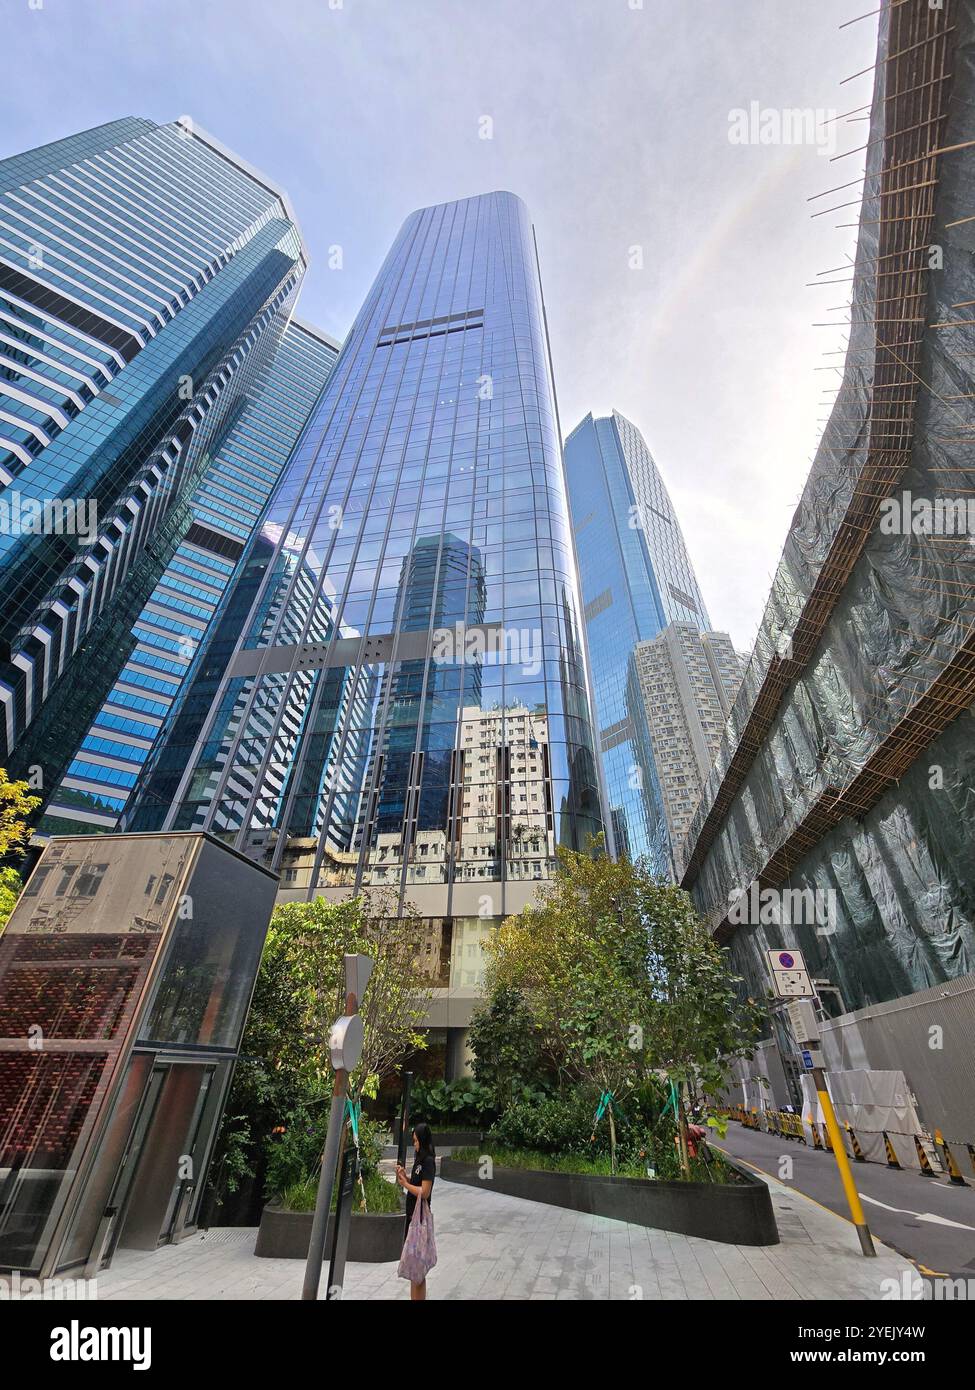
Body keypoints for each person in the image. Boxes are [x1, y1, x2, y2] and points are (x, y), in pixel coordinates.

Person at [395, 1122, 436, 1301]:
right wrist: (406, 1177)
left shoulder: (428, 1162)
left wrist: (404, 1185)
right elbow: (418, 1184)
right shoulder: (420, 1160)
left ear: (422, 1140)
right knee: (415, 1269)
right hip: (412, 1218)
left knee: (417, 1268)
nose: (415, 1144)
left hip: (419, 1220)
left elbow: (425, 1192)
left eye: (416, 1141)